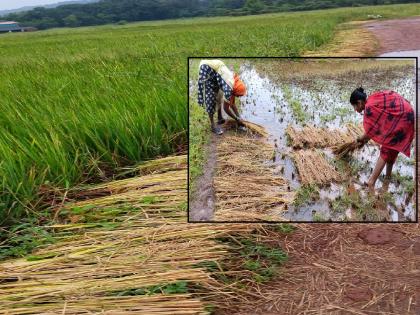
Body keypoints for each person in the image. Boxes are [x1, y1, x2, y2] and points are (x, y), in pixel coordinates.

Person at [350, 87, 415, 190]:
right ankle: (388, 177)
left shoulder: (369, 108)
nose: (355, 110)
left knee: (386, 148)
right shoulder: (372, 99)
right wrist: (363, 139)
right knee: (392, 148)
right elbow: (378, 127)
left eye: (354, 106)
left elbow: (371, 131)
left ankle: (371, 182)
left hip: (403, 118)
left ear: (359, 103)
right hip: (408, 114)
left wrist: (360, 139)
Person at [197, 59, 247, 135]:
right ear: (236, 91)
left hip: (217, 68)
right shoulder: (229, 88)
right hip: (206, 68)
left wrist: (239, 116)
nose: (238, 97)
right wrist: (236, 119)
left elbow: (232, 103)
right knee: (211, 98)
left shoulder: (234, 84)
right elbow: (226, 109)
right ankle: (213, 126)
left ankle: (220, 118)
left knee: (219, 95)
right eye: (238, 95)